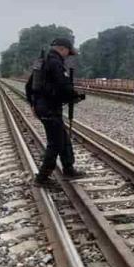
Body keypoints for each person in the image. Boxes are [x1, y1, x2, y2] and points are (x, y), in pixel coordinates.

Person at [25, 37, 86, 186]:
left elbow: (28, 86)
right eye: (67, 52)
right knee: (55, 142)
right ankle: (42, 177)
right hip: (50, 108)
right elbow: (63, 86)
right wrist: (76, 95)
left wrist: (33, 104)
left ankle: (68, 168)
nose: (67, 56)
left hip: (43, 106)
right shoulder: (55, 63)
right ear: (63, 49)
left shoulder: (42, 61)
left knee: (62, 137)